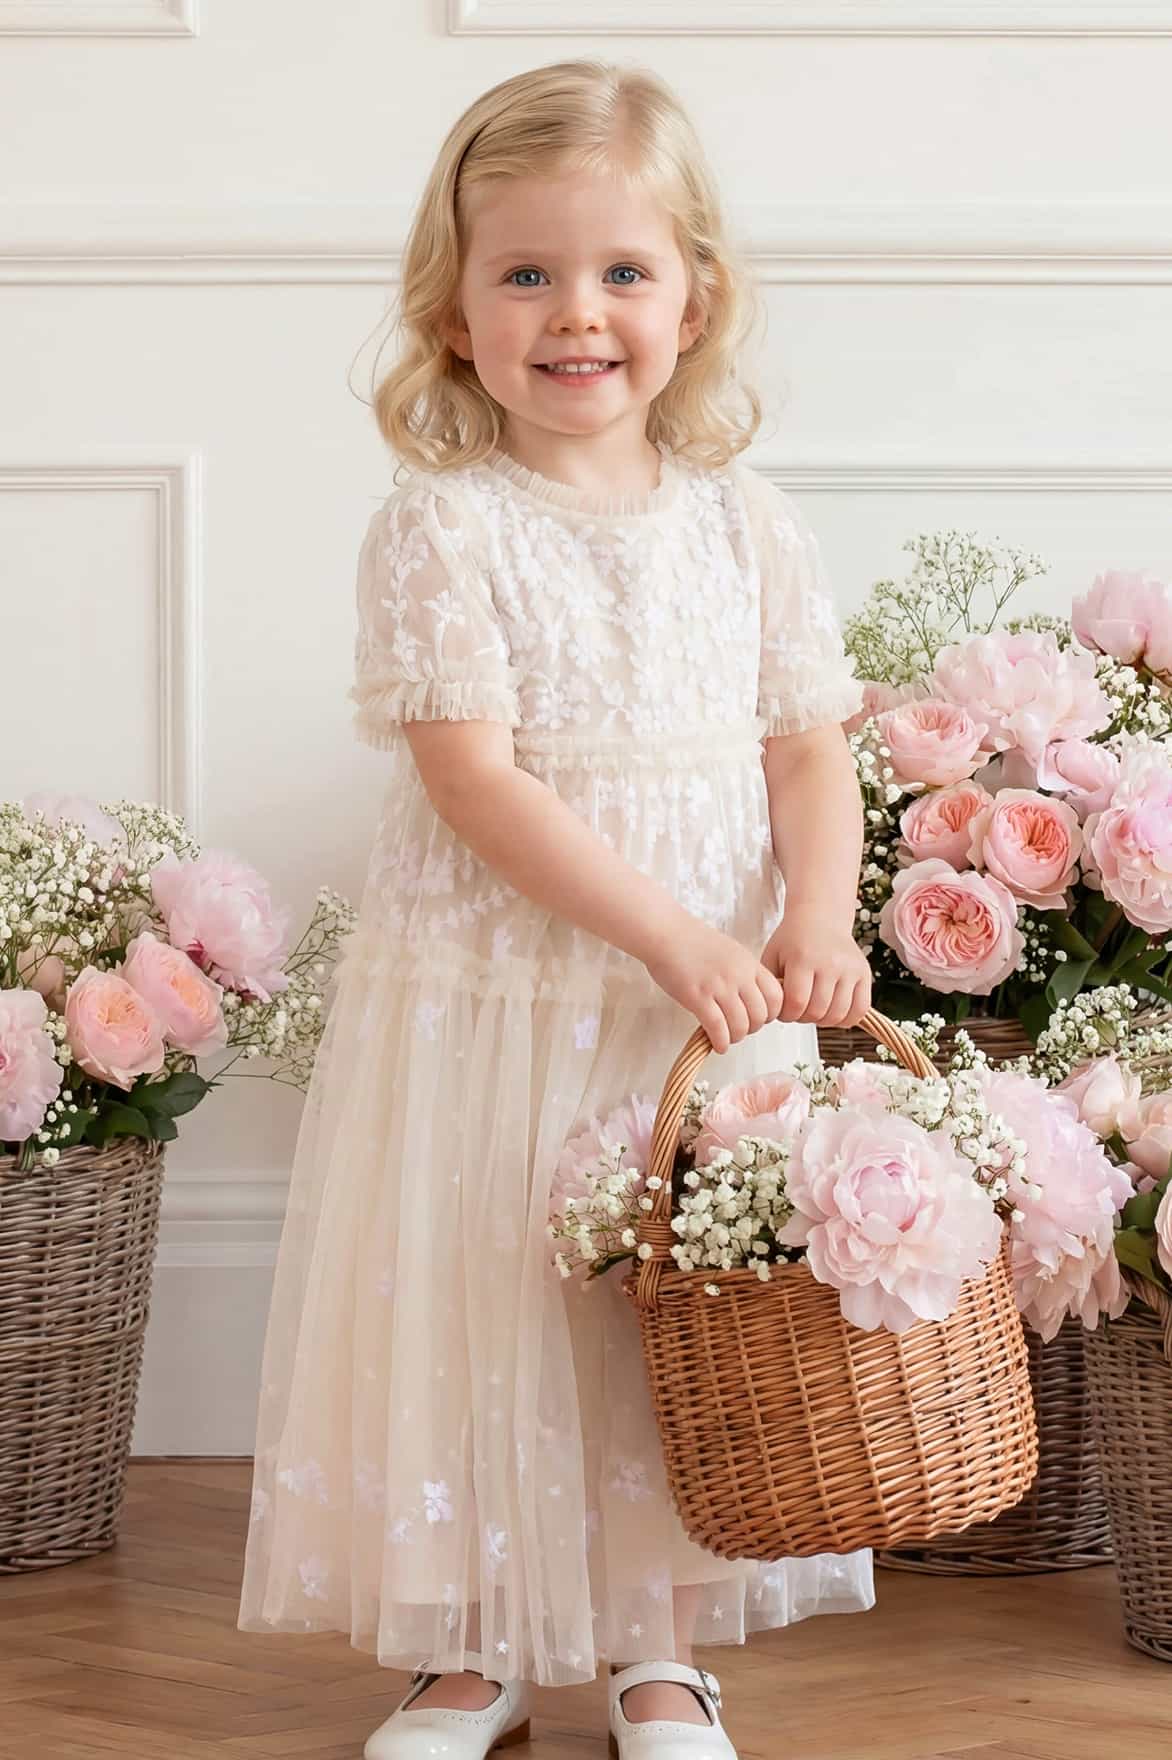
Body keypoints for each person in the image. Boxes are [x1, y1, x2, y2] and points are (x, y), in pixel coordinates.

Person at [237, 56, 874, 1760]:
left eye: (621, 272)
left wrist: (818, 914)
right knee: (491, 1297)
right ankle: (476, 1645)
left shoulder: (747, 526)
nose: (576, 314)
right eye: (526, 273)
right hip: (511, 981)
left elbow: (810, 745)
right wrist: (668, 931)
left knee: (671, 1309)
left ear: (694, 301)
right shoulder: (443, 529)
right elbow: (474, 778)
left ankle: (662, 1651)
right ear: (455, 315)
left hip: (703, 1002)